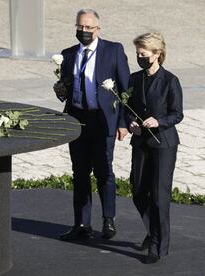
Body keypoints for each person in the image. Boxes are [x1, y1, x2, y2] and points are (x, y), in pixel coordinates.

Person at [54, 9, 130, 241]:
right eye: (80, 27)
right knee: (79, 173)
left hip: (102, 120)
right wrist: (60, 89)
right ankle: (82, 223)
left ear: (98, 28)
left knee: (104, 171)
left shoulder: (113, 51)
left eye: (88, 27)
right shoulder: (68, 54)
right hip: (77, 119)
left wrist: (123, 122)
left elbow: (126, 89)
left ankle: (108, 220)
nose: (84, 31)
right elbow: (65, 89)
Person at [126, 32, 183, 264]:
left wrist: (159, 121)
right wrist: (129, 122)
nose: (139, 57)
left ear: (157, 54)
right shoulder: (134, 79)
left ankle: (159, 246)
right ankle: (152, 231)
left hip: (163, 144)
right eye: (138, 53)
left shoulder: (170, 81)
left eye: (143, 54)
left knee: (159, 196)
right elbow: (127, 107)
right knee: (138, 189)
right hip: (140, 142)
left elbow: (177, 113)